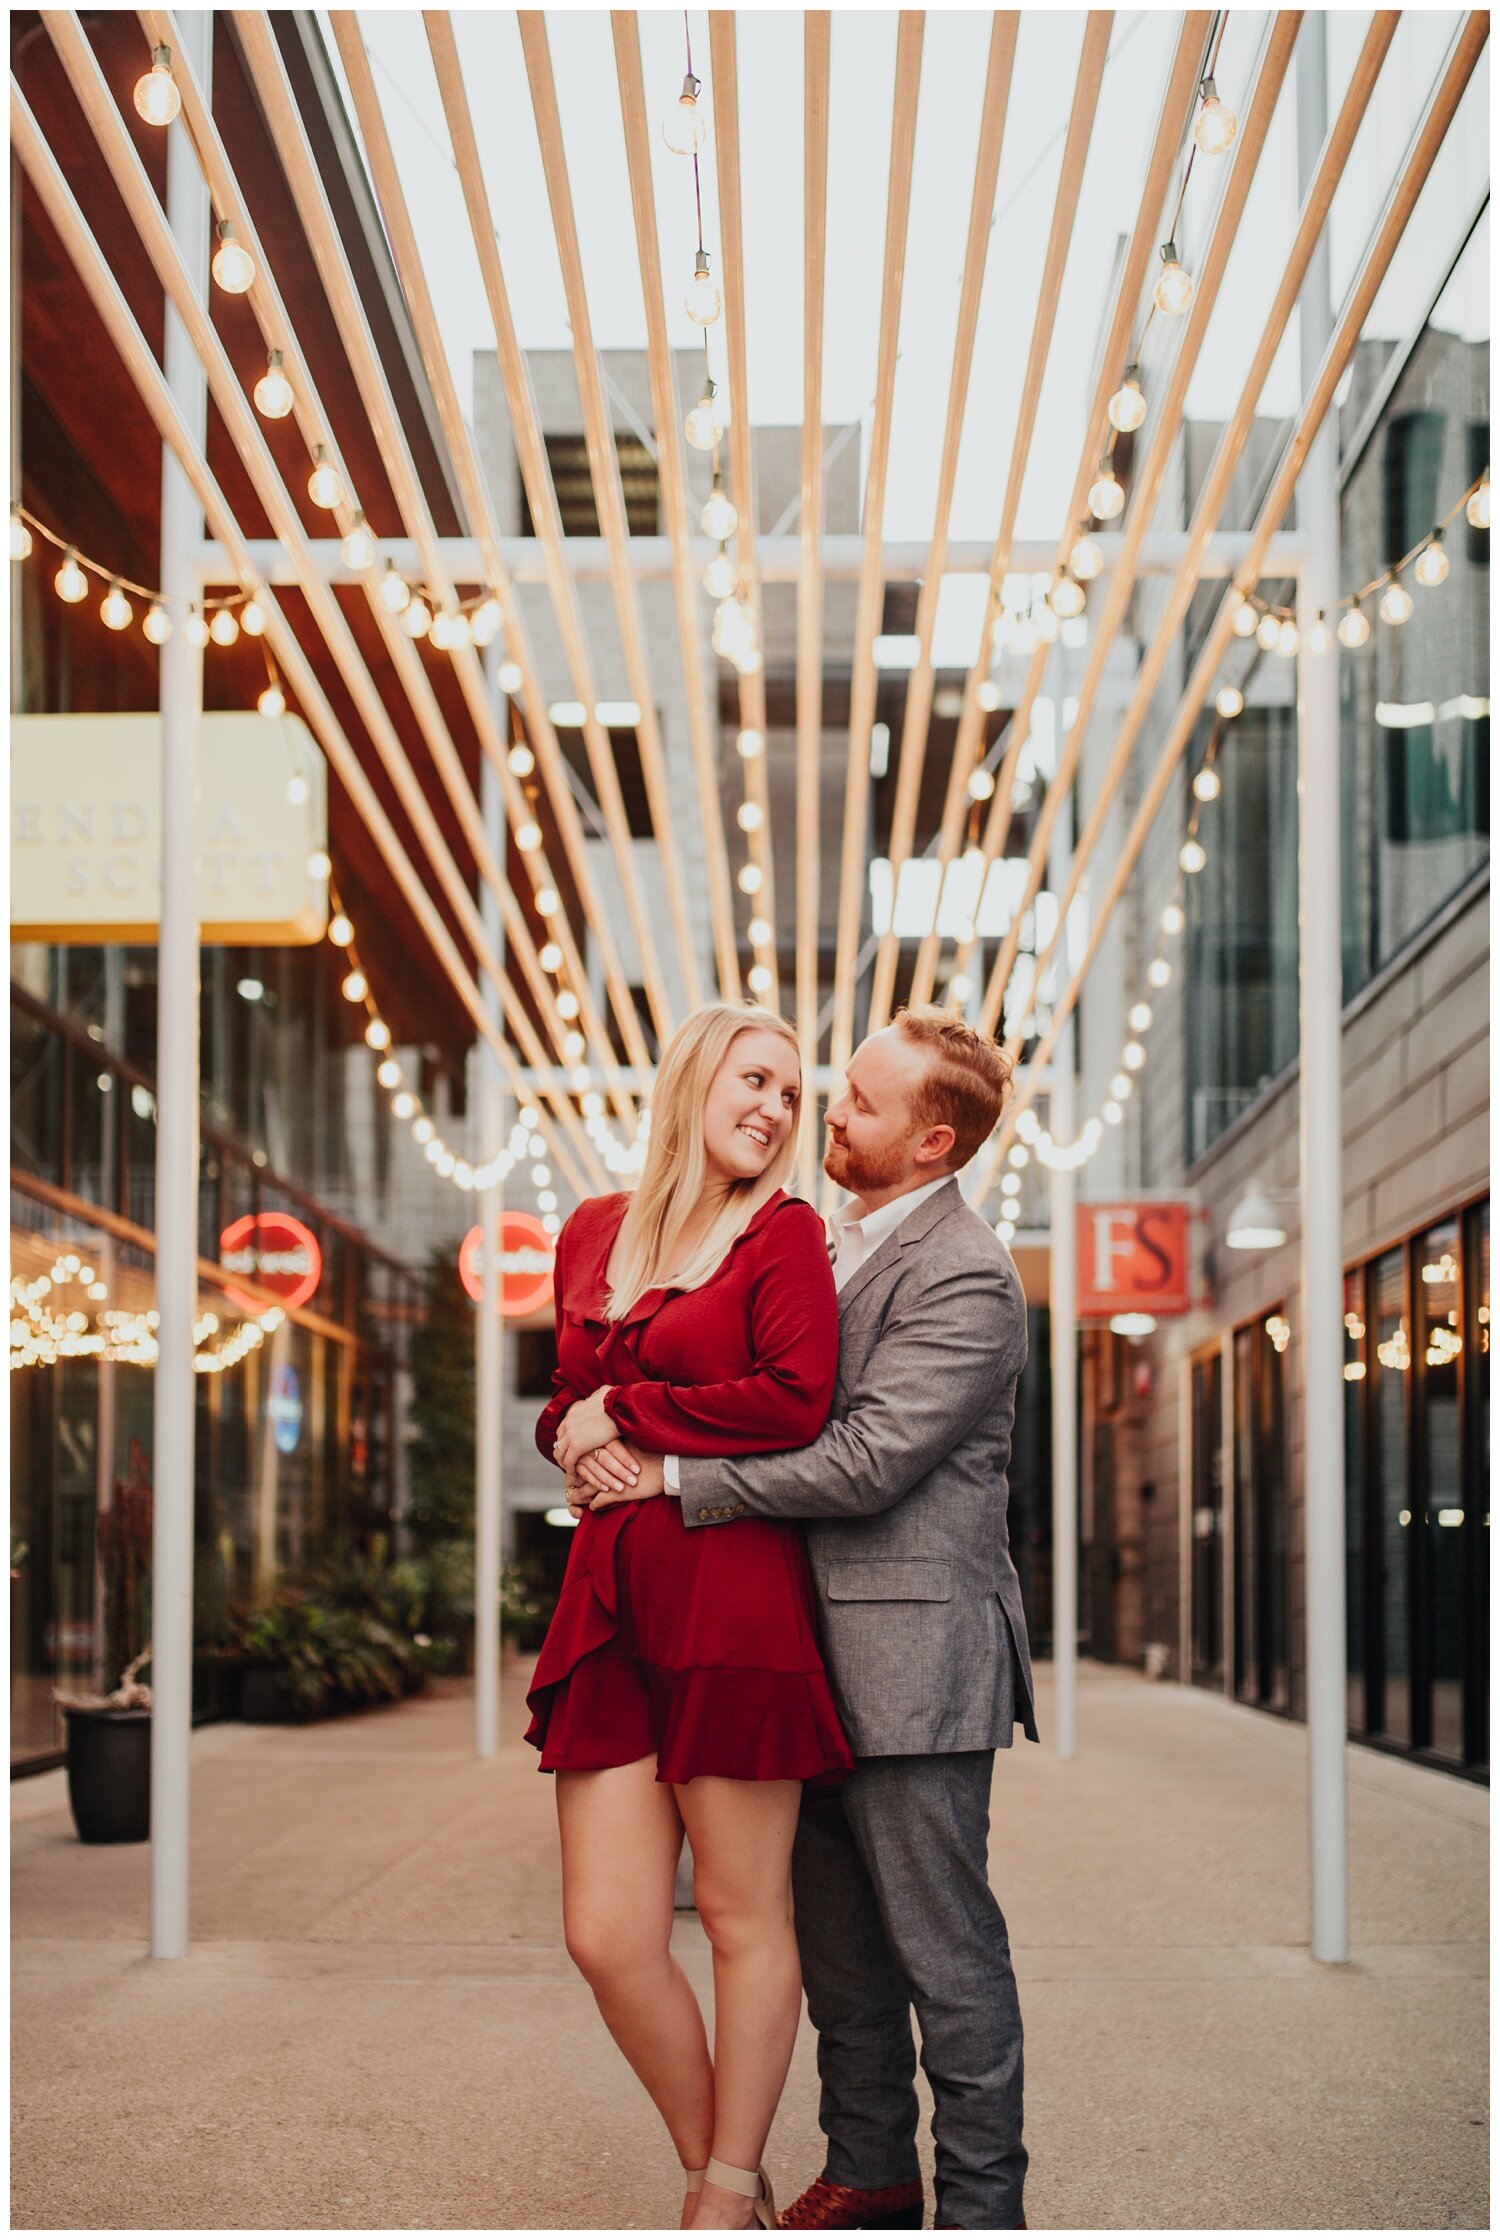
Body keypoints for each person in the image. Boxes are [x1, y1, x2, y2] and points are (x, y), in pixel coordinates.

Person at [568, 1004, 1038, 2233]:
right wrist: (605, 1425)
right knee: (838, 1954)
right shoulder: (824, 1238)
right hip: (804, 1650)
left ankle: (985, 2207)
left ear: (934, 1142)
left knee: (947, 1955)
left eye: (862, 1103)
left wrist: (662, 1465)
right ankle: (871, 2168)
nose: (825, 1112)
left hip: (915, 1660)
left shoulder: (969, 1274)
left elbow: (864, 1457)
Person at [529, 1001, 853, 2233]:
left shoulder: (784, 1234)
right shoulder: (594, 1231)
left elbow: (794, 1399)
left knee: (737, 1911)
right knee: (608, 1931)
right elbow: (562, 1399)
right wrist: (575, 1430)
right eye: (755, 1078)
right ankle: (725, 2162)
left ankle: (717, 2194)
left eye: (792, 1092)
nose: (774, 1109)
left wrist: (629, 1416)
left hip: (732, 1592)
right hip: (607, 1597)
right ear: (695, 1075)